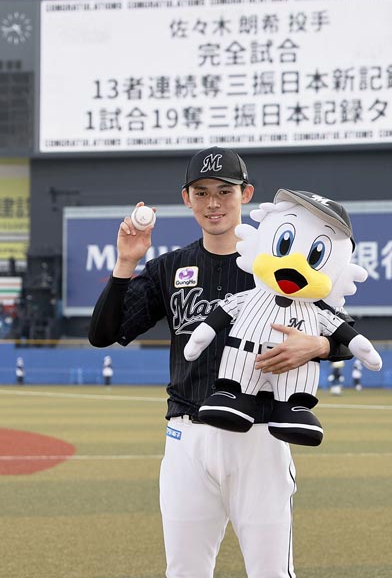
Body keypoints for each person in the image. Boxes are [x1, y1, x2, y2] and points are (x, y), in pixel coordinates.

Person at [88, 146, 354, 578]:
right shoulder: (170, 268)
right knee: (185, 572)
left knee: (271, 572)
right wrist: (125, 262)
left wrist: (319, 346)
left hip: (260, 435)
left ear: (245, 194)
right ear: (187, 198)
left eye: (224, 191)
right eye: (202, 192)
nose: (213, 203)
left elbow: (345, 334)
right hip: (186, 438)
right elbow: (103, 334)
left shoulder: (278, 264)